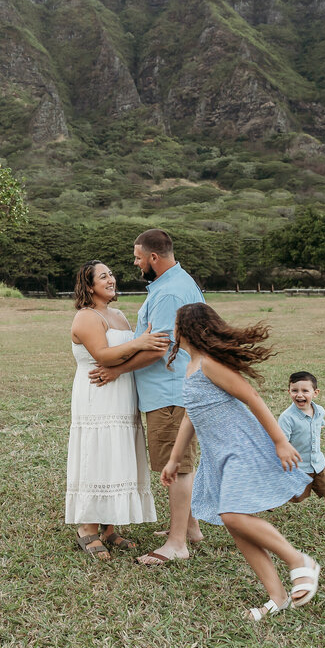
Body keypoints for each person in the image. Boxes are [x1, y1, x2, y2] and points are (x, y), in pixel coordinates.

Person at [161, 303, 321, 619]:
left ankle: (299, 561)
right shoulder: (192, 367)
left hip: (240, 449)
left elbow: (252, 397)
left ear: (187, 329)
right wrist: (174, 458)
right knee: (236, 527)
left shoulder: (209, 364)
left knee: (232, 515)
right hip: (218, 456)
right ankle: (277, 597)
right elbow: (191, 416)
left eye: (176, 324)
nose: (173, 330)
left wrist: (280, 441)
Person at [89, 229, 205, 565]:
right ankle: (191, 527)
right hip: (170, 390)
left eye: (138, 257)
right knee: (178, 461)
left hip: (169, 391)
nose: (136, 263)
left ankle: (178, 543)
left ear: (154, 258)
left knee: (178, 466)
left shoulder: (169, 293)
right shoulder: (177, 283)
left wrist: (117, 370)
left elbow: (159, 349)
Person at [67, 260, 171, 560]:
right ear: (89, 286)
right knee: (98, 453)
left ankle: (110, 527)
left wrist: (144, 344)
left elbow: (133, 352)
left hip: (123, 394)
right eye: (103, 276)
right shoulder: (86, 317)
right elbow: (102, 355)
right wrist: (140, 342)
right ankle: (87, 528)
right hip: (97, 393)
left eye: (111, 274)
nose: (111, 279)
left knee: (117, 454)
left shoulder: (119, 315)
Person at [279, 371, 325, 531]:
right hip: (299, 468)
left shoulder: (319, 410)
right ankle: (272, 496)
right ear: (289, 392)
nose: (299, 395)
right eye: (294, 391)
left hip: (318, 464)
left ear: (315, 393)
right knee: (295, 497)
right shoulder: (287, 418)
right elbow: (281, 442)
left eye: (305, 391)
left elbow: (319, 423)